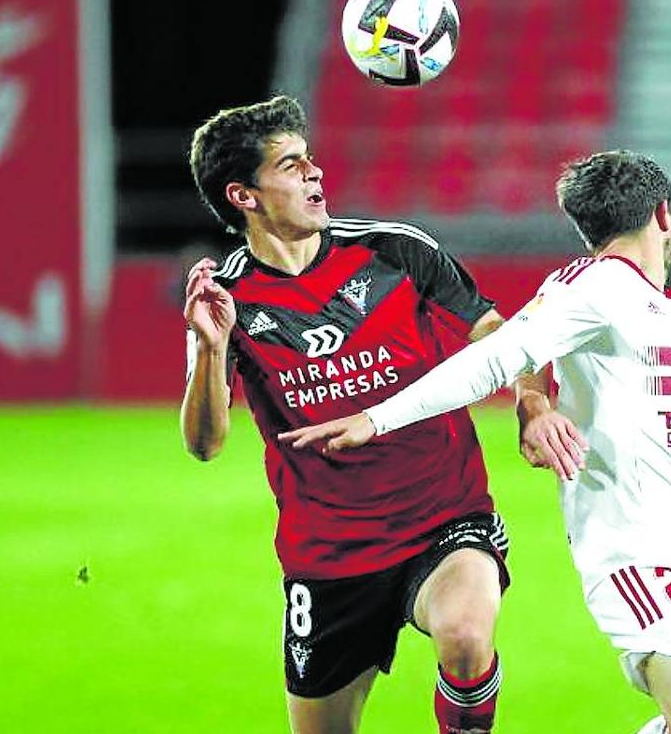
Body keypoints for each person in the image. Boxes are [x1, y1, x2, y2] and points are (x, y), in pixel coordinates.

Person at [278, 150, 671, 734]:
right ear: (665, 215)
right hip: (636, 552)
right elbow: (498, 355)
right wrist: (379, 417)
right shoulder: (593, 288)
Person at [180, 95, 580, 734]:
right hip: (329, 555)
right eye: (290, 165)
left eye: (310, 159)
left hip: (444, 517)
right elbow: (204, 444)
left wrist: (534, 405)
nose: (314, 173)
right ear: (244, 196)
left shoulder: (393, 250)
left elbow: (505, 336)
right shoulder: (226, 298)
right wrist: (209, 346)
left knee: (466, 637)